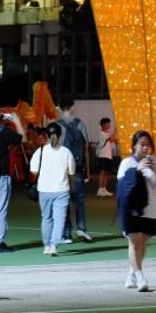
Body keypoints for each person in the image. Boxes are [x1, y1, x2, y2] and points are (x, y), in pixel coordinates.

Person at [118, 130, 156, 291]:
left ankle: (132, 272)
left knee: (142, 243)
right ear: (134, 146)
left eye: (148, 145)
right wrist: (137, 169)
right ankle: (140, 277)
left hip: (151, 208)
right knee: (135, 243)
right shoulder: (127, 163)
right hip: (133, 209)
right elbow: (122, 186)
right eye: (142, 144)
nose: (146, 148)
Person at [30, 122, 76, 257]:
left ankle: (46, 245)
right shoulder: (66, 152)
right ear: (60, 135)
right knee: (59, 220)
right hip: (61, 190)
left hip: (44, 190)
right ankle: (54, 245)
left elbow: (33, 170)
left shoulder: (41, 151)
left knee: (46, 218)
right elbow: (71, 172)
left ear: (46, 135)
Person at [57, 99, 94, 243]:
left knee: (64, 201)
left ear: (60, 109)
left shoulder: (56, 126)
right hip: (77, 168)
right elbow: (86, 149)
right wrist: (88, 171)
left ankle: (67, 234)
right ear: (73, 107)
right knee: (79, 200)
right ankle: (82, 229)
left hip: (62, 170)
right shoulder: (80, 124)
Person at [0, 108, 25, 252]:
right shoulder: (2, 131)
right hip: (0, 175)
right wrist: (16, 120)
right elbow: (21, 139)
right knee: (0, 208)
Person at [95, 117, 116, 197]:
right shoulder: (102, 134)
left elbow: (113, 140)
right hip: (103, 156)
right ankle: (100, 189)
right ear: (103, 125)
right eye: (108, 123)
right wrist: (116, 131)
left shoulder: (106, 133)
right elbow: (113, 139)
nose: (109, 125)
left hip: (108, 156)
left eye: (109, 123)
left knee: (106, 173)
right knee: (103, 172)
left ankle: (104, 189)